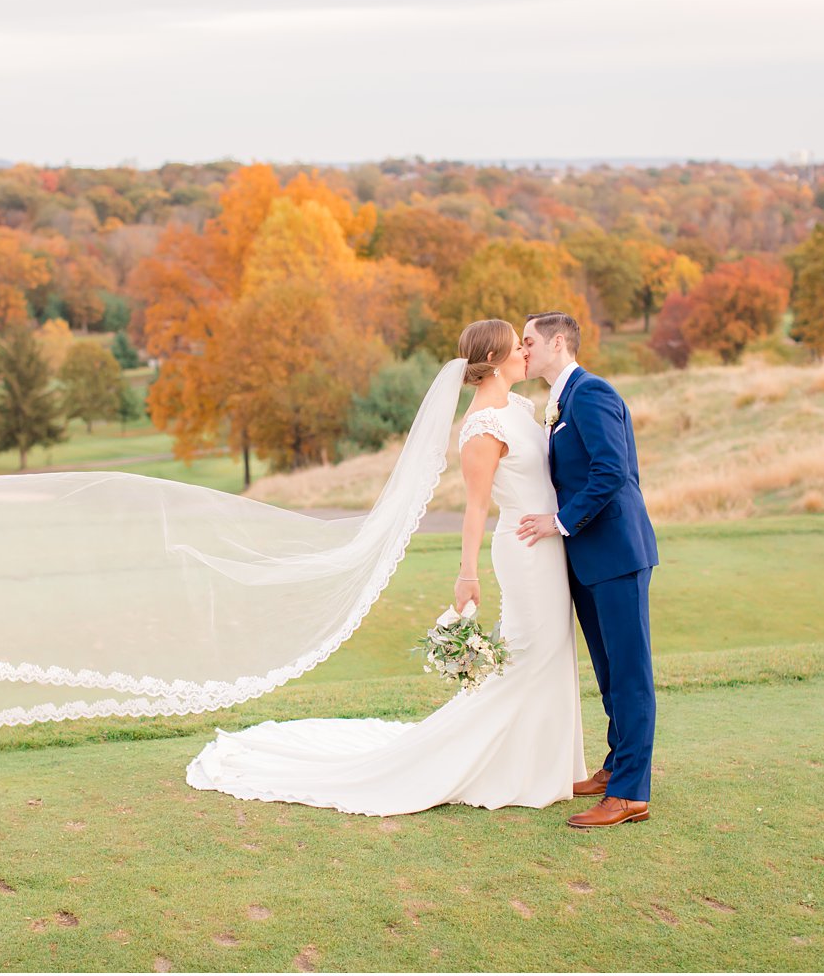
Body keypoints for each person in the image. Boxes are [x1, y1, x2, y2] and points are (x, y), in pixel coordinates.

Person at [183, 319, 588, 815]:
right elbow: (477, 508)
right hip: (523, 551)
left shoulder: (522, 407)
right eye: (518, 346)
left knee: (551, 651)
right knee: (528, 653)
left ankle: (546, 765)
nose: (527, 353)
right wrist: (467, 573)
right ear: (497, 357)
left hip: (550, 544)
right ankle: (500, 767)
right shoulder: (482, 426)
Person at [516, 311, 659, 828]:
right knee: (607, 672)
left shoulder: (591, 393)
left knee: (629, 675)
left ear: (558, 342)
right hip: (589, 558)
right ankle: (615, 766)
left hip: (616, 553)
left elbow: (611, 471)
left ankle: (629, 794)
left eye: (529, 341)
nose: (523, 349)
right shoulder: (560, 401)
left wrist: (559, 522)